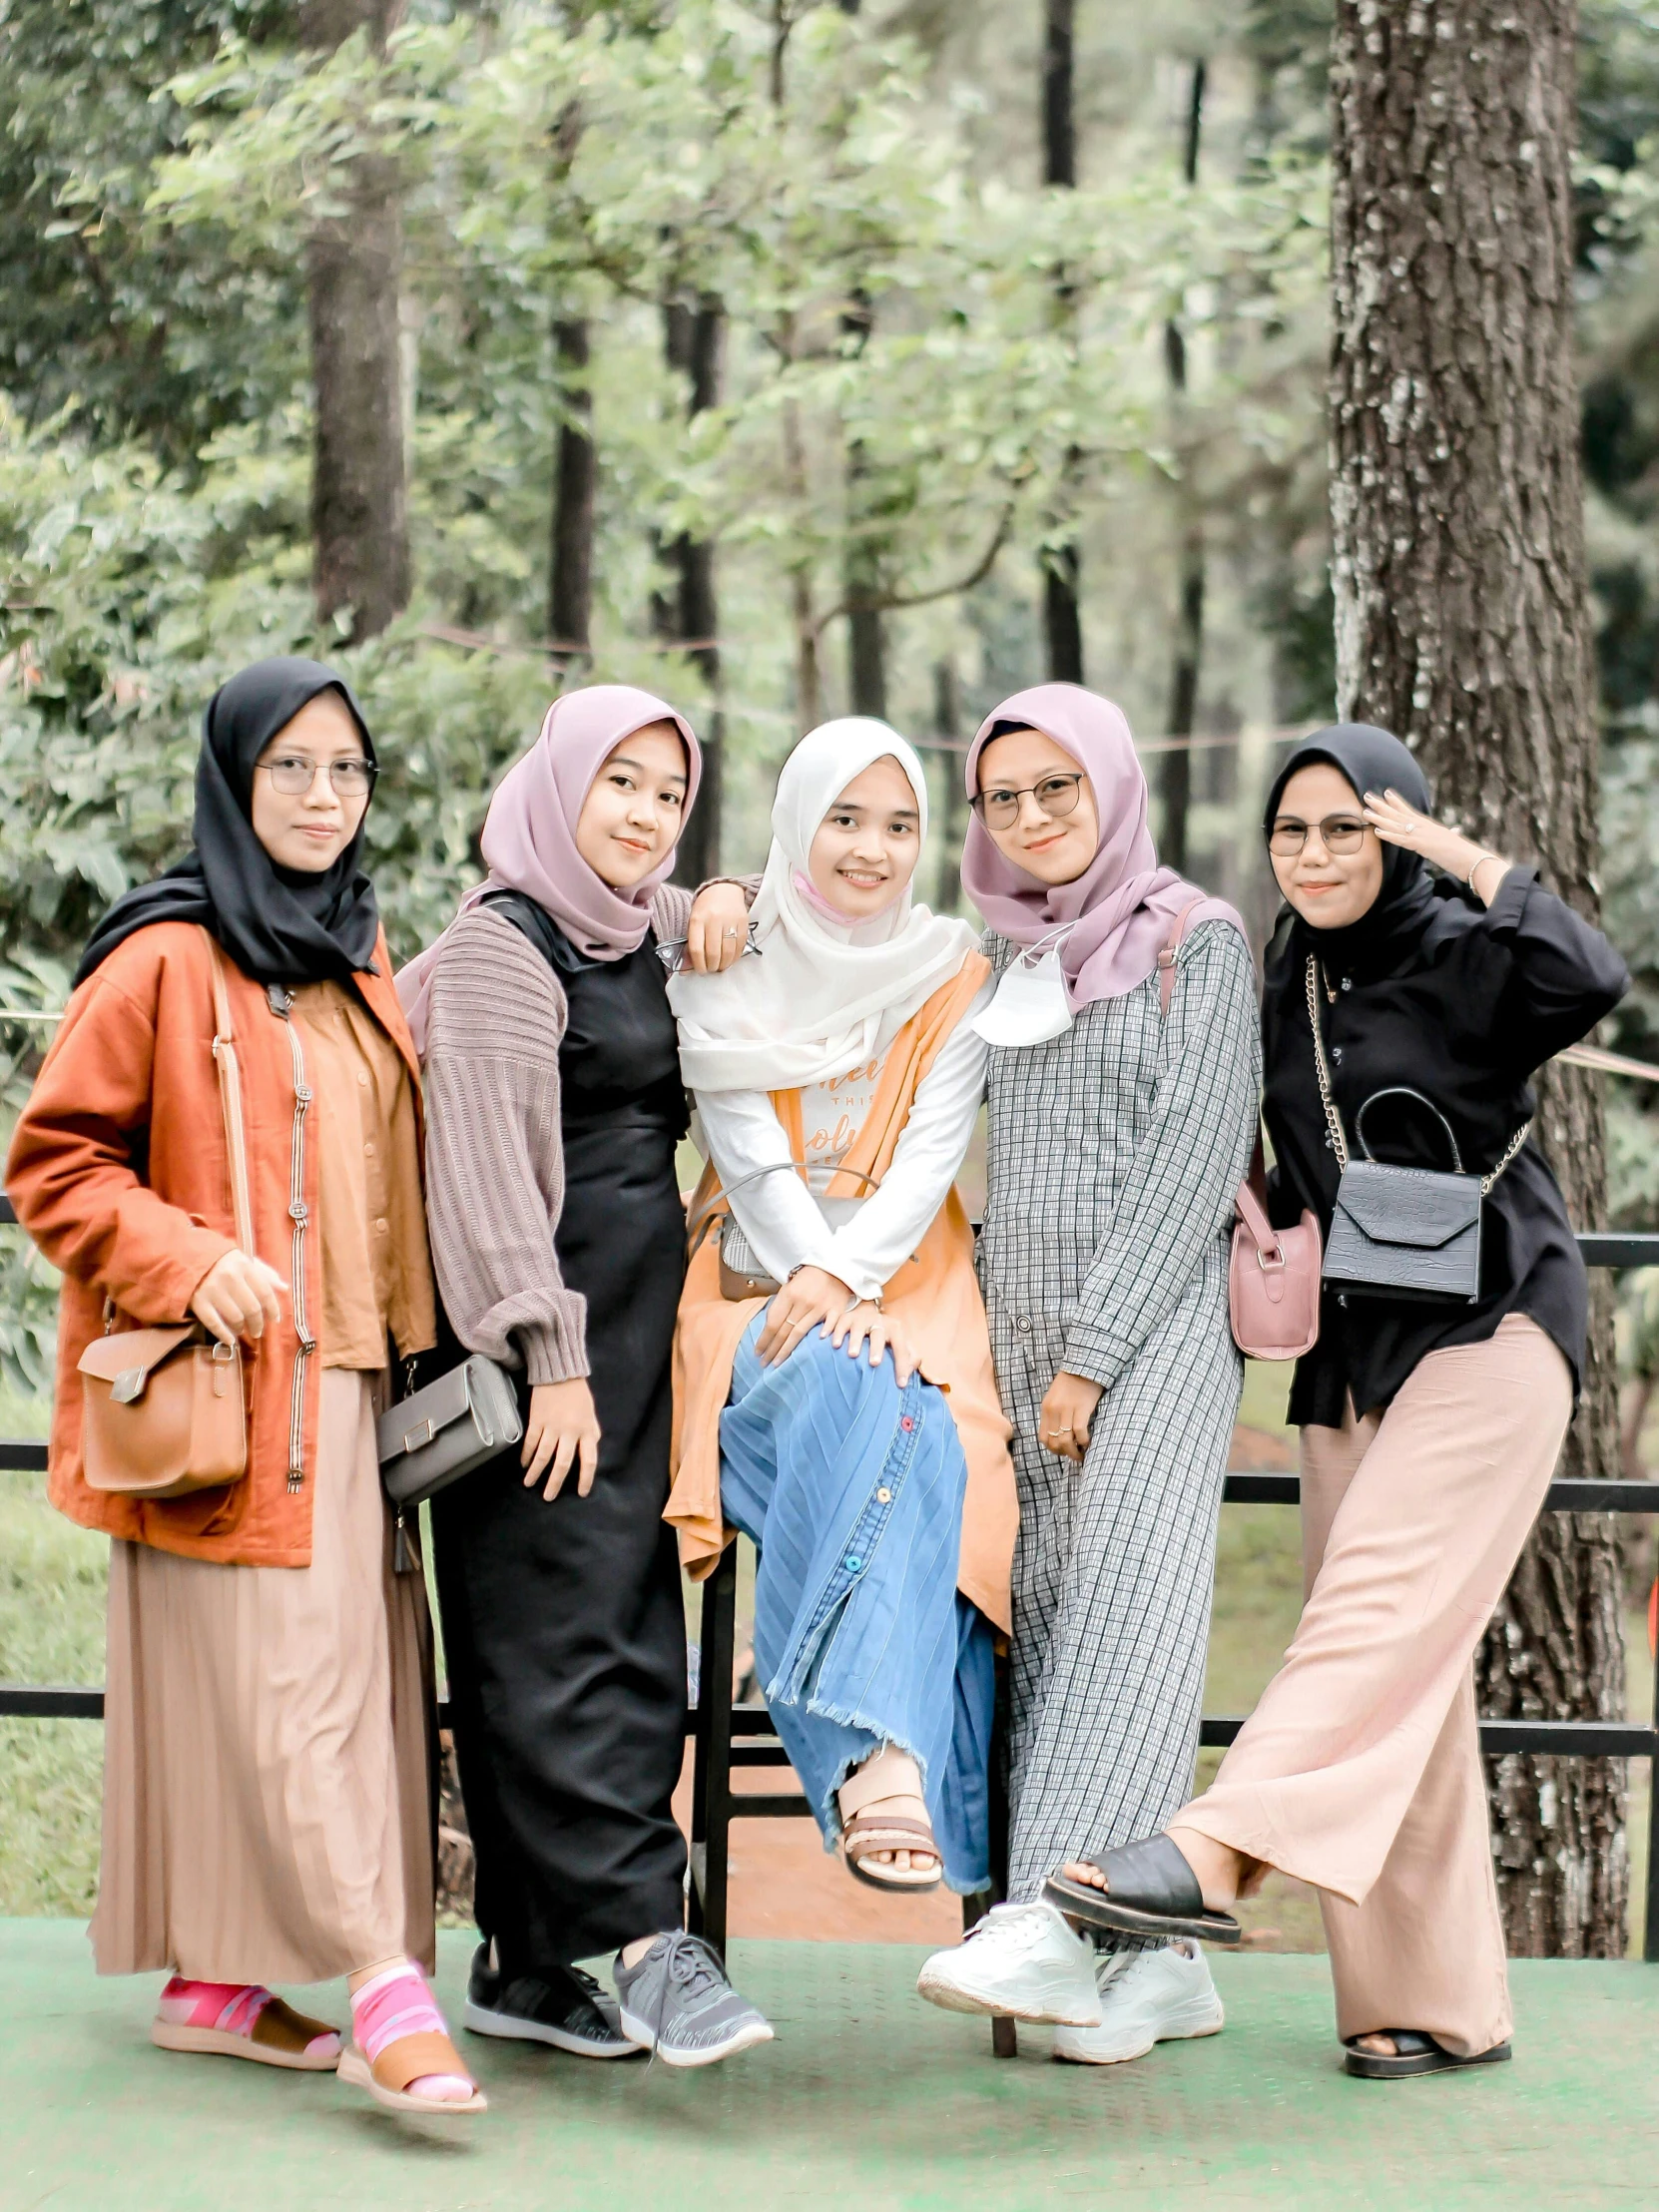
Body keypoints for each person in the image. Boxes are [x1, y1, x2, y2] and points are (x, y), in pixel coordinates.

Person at [1039, 722, 1629, 2081]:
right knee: (1397, 1674)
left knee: (1366, 1624)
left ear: (1396, 836)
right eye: (1290, 833)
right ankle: (1426, 2004)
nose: (1312, 856)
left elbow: (1586, 970)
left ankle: (1205, 1853)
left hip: (1489, 1334)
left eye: (1346, 830)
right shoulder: (1282, 972)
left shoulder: (1469, 955)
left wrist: (1451, 855)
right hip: (1349, 1357)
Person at [6, 658, 483, 2118]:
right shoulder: (160, 954)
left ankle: (214, 1984)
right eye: (292, 768)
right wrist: (184, 1258)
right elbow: (55, 1163)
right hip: (228, 1399)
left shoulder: (355, 953)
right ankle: (385, 1977)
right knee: (288, 1686)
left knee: (341, 1683)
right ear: (233, 777)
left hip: (350, 1387)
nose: (324, 799)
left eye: (347, 772)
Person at [398, 685, 773, 2069]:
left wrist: (729, 887)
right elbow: (485, 1177)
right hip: (534, 1339)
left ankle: (523, 1963)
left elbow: (792, 917)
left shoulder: (639, 928)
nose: (643, 816)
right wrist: (546, 1356)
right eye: (619, 783)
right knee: (546, 1642)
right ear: (557, 789)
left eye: (670, 796)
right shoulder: (507, 945)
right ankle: (647, 1944)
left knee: (617, 1620)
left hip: (634, 1327)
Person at [910, 684, 1260, 2064]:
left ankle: (1047, 1924)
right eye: (1005, 798)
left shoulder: (1197, 939)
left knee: (1121, 1605)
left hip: (1155, 1329)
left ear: (1110, 788)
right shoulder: (1000, 955)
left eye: (1058, 789)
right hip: (1020, 1329)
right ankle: (1158, 1964)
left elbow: (1193, 1163)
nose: (1034, 818)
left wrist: (1093, 1360)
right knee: (1054, 1622)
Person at [666, 717, 1017, 1897]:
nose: (871, 848)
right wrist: (815, 1282)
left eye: (900, 823)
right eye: (845, 818)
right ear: (797, 823)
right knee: (877, 1400)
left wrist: (853, 1279)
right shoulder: (730, 949)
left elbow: (930, 1153)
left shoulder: (951, 963)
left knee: (916, 1410)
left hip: (907, 1268)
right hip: (756, 1278)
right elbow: (747, 1144)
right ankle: (883, 1757)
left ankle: (852, 1722)